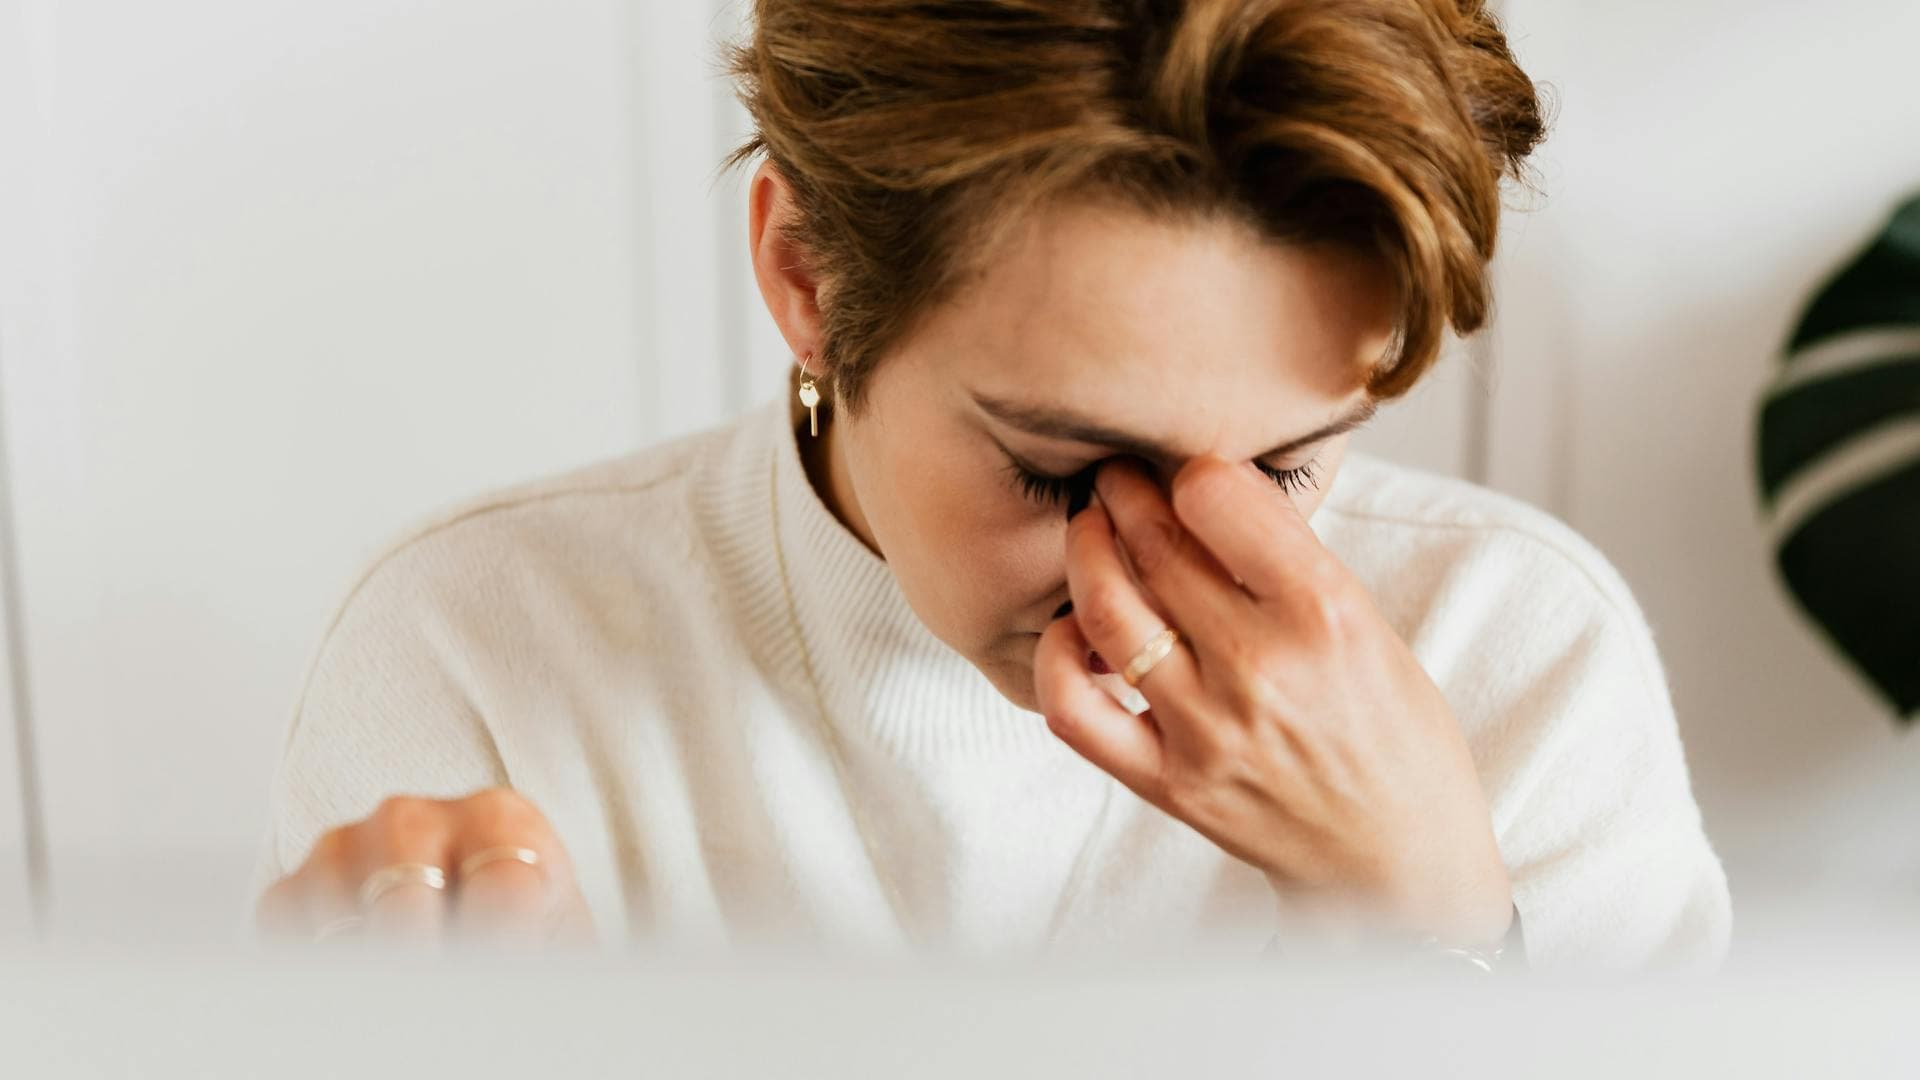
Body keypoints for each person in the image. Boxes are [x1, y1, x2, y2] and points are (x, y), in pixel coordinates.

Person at [251, 0, 1731, 969]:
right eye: (1062, 469)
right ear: (806, 277)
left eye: (1287, 468)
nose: (1153, 584)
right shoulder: (478, 651)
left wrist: (1434, 928)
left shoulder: (1518, 660)